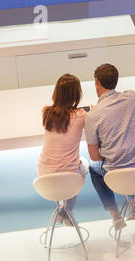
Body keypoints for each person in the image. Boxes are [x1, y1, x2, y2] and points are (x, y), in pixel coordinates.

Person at [84, 63, 135, 230]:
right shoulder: (132, 97)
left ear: (96, 82)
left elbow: (94, 157)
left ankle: (115, 215)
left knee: (93, 168)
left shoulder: (92, 116)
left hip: (115, 176)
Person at [36, 74, 88, 227]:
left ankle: (62, 210)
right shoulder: (81, 115)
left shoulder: (46, 112)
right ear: (76, 95)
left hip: (44, 177)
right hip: (69, 179)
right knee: (84, 164)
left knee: (68, 172)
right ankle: (67, 211)